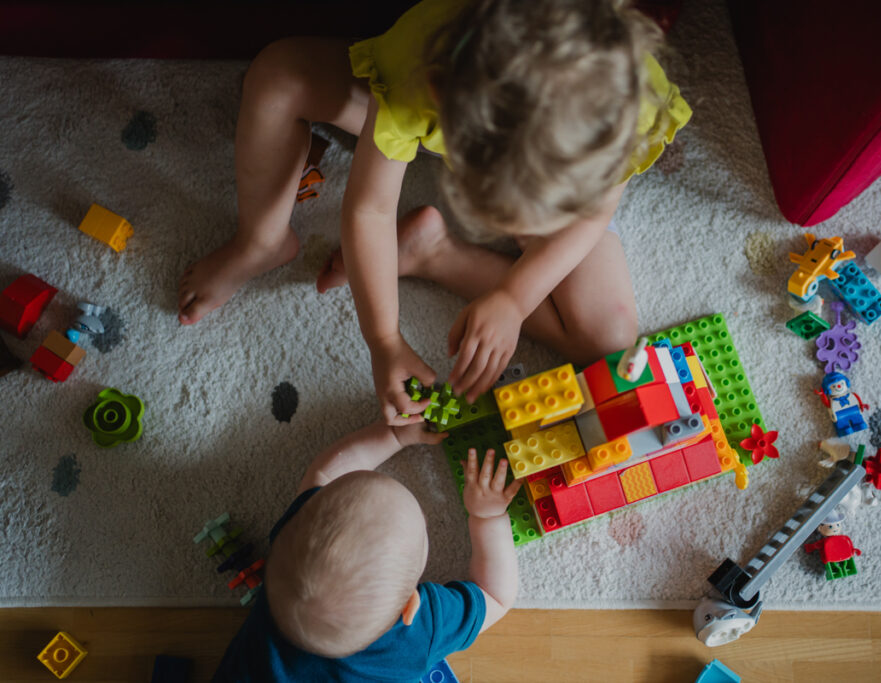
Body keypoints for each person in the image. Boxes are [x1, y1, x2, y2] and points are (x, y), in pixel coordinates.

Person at [177, 0, 691, 420]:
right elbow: (369, 210)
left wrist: (514, 297)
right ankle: (259, 240)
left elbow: (595, 214)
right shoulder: (417, 70)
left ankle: (432, 252)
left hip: (513, 129)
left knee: (610, 339)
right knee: (277, 76)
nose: (515, 231)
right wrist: (383, 339)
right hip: (425, 97)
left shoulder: (620, 97)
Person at [212, 420, 523, 681]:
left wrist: (394, 434)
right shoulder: (415, 633)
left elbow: (323, 475)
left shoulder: (294, 541)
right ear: (410, 606)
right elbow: (494, 595)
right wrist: (488, 516)